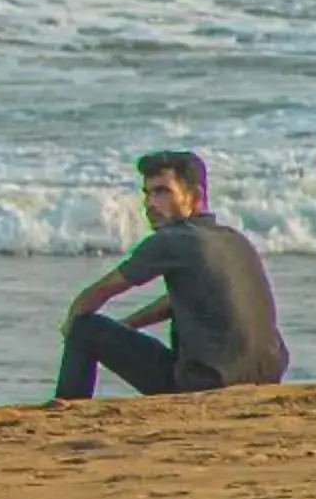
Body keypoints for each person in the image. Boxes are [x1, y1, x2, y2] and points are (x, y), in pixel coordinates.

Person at [54, 150, 288, 400]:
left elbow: (98, 293)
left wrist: (71, 325)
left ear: (195, 196)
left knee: (85, 327)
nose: (150, 204)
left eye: (163, 192)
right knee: (99, 330)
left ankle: (66, 407)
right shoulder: (235, 239)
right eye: (148, 193)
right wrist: (126, 327)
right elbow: (177, 301)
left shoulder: (172, 240)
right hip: (266, 378)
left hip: (206, 385)